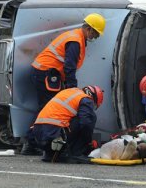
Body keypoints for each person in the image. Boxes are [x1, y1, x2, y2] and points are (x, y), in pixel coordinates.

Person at [22, 13, 106, 155]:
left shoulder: (76, 37)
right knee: (47, 109)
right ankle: (30, 143)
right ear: (89, 29)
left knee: (49, 108)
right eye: (96, 34)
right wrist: (73, 89)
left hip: (46, 72)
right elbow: (69, 67)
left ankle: (33, 142)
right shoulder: (75, 40)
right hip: (46, 73)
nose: (95, 37)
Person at [31, 85, 104, 163]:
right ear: (93, 96)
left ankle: (50, 154)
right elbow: (85, 123)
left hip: (38, 134)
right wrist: (88, 142)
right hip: (55, 132)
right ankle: (77, 153)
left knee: (70, 117)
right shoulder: (86, 99)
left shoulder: (67, 92)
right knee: (90, 118)